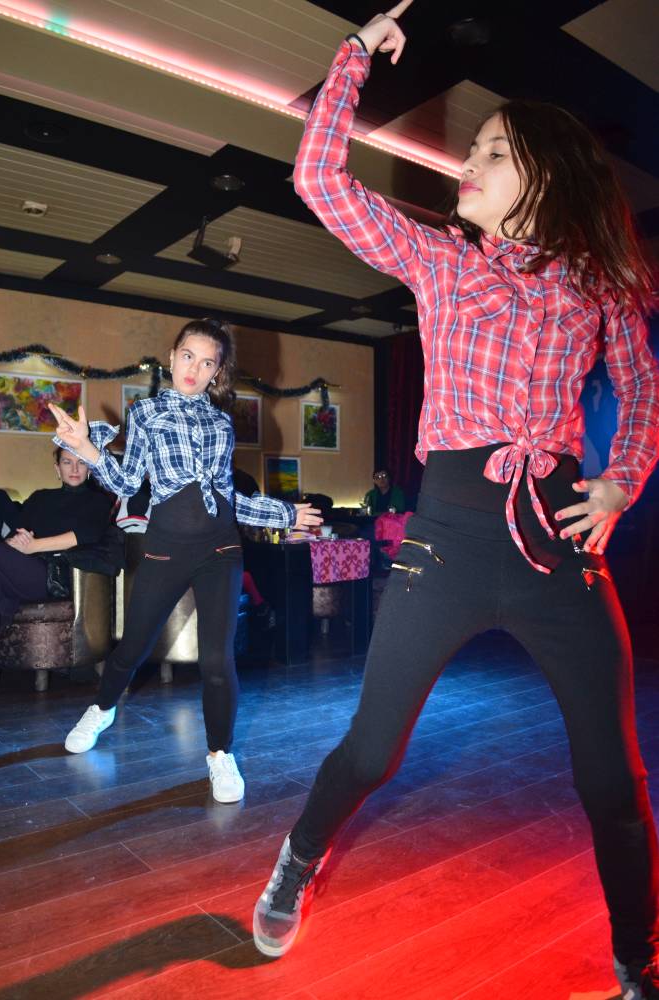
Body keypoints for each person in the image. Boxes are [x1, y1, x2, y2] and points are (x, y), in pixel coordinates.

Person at [252, 5, 659, 997]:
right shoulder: (438, 259)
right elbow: (318, 179)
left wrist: (621, 476)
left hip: (558, 546)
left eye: (491, 152)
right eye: (469, 150)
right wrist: (354, 57)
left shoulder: (596, 284)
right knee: (372, 749)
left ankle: (635, 965)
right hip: (445, 539)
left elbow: (641, 382)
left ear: (546, 176)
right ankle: (299, 858)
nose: (464, 165)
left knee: (612, 778)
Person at [50, 317, 321, 803]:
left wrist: (285, 513)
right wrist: (87, 448)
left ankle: (220, 754)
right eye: (188, 356)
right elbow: (127, 483)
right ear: (172, 357)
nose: (195, 368)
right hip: (165, 548)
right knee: (132, 647)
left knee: (218, 659)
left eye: (208, 362)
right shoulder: (146, 412)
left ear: (217, 372)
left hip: (220, 549)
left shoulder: (222, 423)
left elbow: (229, 499)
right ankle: (102, 709)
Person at [0, 448, 114, 631]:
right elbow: (15, 533)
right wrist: (16, 542)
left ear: (89, 469)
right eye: (67, 462)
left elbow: (87, 534)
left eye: (81, 462)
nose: (74, 469)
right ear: (57, 468)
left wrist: (34, 546)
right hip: (27, 569)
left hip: (60, 576)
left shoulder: (98, 501)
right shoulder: (39, 498)